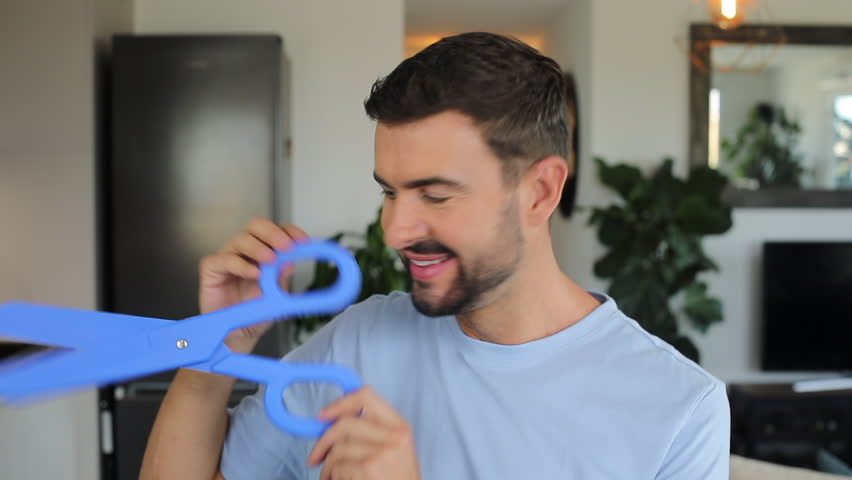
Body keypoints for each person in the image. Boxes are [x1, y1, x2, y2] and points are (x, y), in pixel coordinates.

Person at [140, 32, 730, 480]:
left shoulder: (679, 408)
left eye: (436, 194)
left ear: (541, 191)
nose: (395, 229)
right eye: (389, 191)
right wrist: (212, 350)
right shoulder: (362, 342)